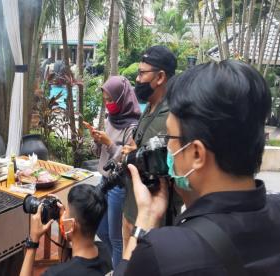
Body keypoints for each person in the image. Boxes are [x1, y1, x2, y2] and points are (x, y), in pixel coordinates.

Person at [115, 60, 280, 275]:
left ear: (196, 154)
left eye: (170, 138)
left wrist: (145, 218)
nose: (167, 148)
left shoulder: (163, 252)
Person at [121, 46, 182, 248]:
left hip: (154, 215)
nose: (137, 79)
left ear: (160, 77)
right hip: (132, 206)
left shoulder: (172, 115)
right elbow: (138, 146)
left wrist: (136, 157)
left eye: (142, 73)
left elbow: (166, 164)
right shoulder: (149, 106)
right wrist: (132, 152)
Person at [84, 76, 140, 268]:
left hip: (119, 185)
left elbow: (126, 161)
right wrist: (97, 141)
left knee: (116, 238)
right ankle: (116, 266)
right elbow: (101, 155)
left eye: (111, 100)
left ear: (122, 98)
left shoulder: (133, 127)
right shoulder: (110, 119)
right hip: (104, 179)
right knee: (100, 227)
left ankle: (118, 270)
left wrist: (109, 143)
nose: (108, 104)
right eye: (105, 100)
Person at [20, 184, 112, 276]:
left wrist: (33, 241)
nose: (62, 215)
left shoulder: (56, 273)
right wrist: (63, 223)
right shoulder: (105, 251)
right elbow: (75, 261)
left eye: (66, 212)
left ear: (72, 225)